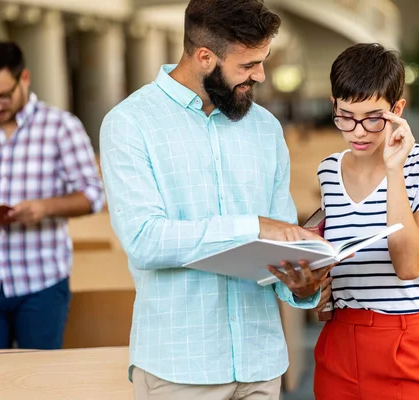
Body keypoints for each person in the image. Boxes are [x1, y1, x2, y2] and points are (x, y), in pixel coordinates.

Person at [99, 0, 340, 399]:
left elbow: (282, 241)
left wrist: (301, 286)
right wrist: (253, 226)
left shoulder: (264, 128)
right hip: (178, 369)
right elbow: (144, 240)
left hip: (260, 363)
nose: (260, 76)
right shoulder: (130, 124)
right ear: (204, 57)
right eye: (247, 66)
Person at [312, 43, 419, 399]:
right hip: (339, 342)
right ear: (334, 105)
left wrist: (395, 171)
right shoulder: (329, 170)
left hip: (405, 341)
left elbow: (408, 265)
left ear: (397, 110)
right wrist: (316, 285)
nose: (358, 131)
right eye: (346, 116)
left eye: (373, 118)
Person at [0, 41, 104, 350]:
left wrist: (45, 208)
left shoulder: (61, 127)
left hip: (42, 283)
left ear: (25, 78)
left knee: (41, 384)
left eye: (3, 96)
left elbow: (93, 195)